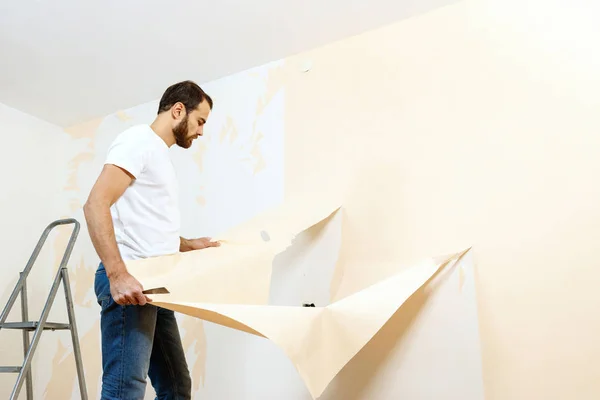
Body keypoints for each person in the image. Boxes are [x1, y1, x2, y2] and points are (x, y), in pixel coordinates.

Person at [83, 80, 220, 400]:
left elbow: (143, 223)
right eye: (200, 121)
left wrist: (186, 244)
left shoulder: (157, 153)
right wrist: (117, 275)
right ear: (178, 111)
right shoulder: (137, 141)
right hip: (131, 281)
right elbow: (95, 204)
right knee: (125, 389)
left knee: (175, 386)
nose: (201, 132)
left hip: (155, 286)